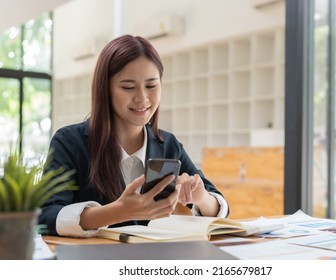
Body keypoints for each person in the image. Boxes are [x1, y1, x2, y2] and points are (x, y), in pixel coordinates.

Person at [38, 34, 229, 237]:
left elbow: (218, 207)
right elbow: (47, 216)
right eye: (128, 87)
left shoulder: (168, 144)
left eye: (151, 86)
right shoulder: (69, 142)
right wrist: (116, 212)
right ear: (105, 90)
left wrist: (201, 198)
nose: (142, 98)